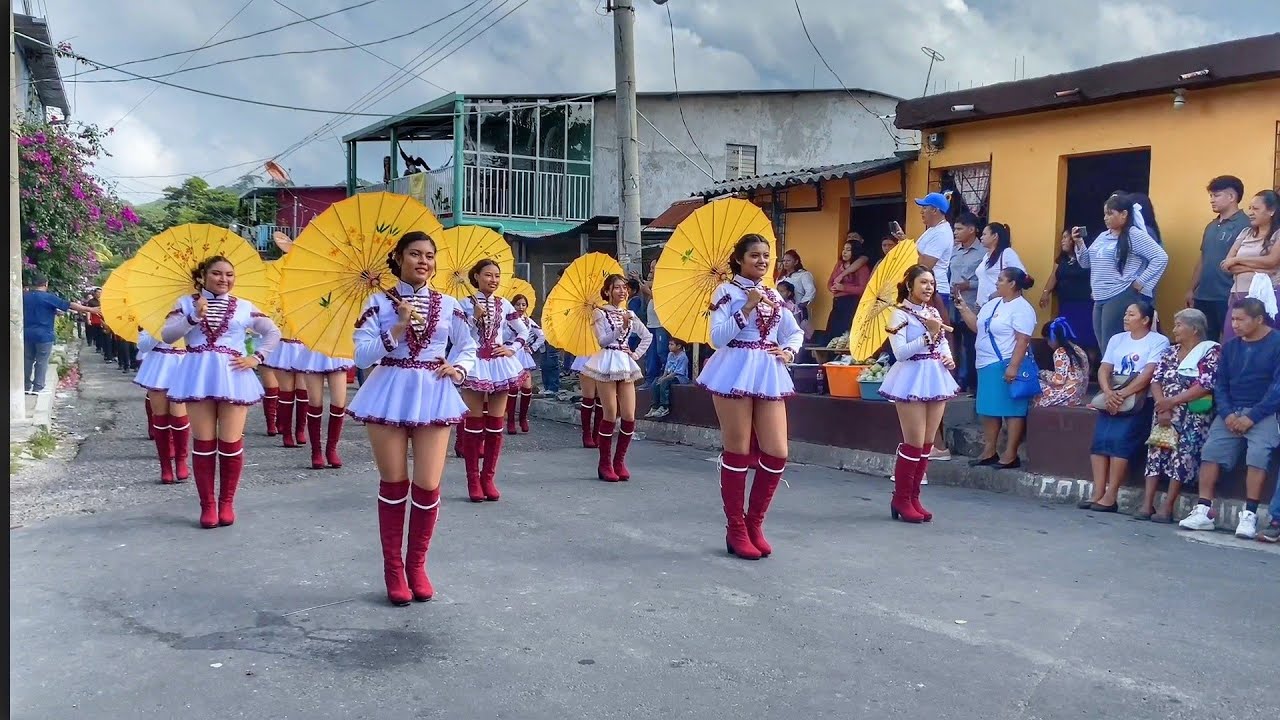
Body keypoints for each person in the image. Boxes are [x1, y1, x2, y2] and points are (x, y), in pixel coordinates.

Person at [346, 231, 477, 606]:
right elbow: (360, 356)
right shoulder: (377, 302)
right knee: (394, 482)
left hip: (434, 390)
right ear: (399, 257)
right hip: (388, 389)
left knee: (428, 484)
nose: (424, 261)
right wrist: (398, 327)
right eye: (415, 254)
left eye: (430, 256)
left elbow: (466, 344)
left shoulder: (450, 304)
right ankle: (393, 569)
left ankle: (416, 566)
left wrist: (460, 369)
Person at [698, 233, 804, 559]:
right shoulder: (726, 292)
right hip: (734, 368)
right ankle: (736, 528)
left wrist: (788, 351)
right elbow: (717, 338)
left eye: (766, 255)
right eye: (755, 255)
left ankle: (754, 522)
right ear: (740, 260)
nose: (762, 261)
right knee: (738, 451)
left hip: (768, 369)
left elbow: (793, 331)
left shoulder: (773, 293)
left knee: (776, 452)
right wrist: (746, 307)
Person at [162, 256, 282, 529]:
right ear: (202, 275)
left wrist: (257, 357)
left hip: (234, 375)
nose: (224, 279)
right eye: (217, 273)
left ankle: (227, 502)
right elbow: (168, 336)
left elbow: (273, 332)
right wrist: (193, 316)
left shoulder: (243, 306)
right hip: (197, 375)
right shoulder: (184, 303)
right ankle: (208, 506)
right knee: (204, 443)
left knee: (230, 443)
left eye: (229, 274)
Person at [1179, 298, 1280, 539]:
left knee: (1258, 455)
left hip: (1264, 412)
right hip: (1231, 411)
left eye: (1240, 320)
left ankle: (1250, 514)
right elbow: (1220, 384)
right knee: (1211, 451)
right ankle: (1204, 510)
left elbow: (1277, 387)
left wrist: (1252, 417)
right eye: (1232, 319)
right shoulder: (1230, 346)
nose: (1234, 324)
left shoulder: (1277, 343)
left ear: (1258, 319)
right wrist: (1227, 413)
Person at [878, 265, 959, 522]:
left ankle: (914, 497)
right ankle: (900, 499)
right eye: (923, 282)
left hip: (935, 376)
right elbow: (900, 352)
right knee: (913, 443)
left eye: (932, 283)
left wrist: (948, 358)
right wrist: (928, 334)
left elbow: (943, 342)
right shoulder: (898, 314)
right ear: (910, 284)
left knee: (927, 444)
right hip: (910, 377)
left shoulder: (932, 311)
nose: (928, 287)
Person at [1078, 301, 1169, 512]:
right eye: (1126, 314)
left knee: (1120, 444)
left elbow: (1149, 373)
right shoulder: (1117, 339)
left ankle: (1111, 495)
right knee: (1100, 442)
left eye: (1131, 315)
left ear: (1145, 320)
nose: (1126, 318)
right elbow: (1104, 369)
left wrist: (1123, 394)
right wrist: (1109, 392)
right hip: (1113, 393)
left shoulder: (1158, 341)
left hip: (1137, 399)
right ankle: (1097, 492)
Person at [1136, 309, 1219, 522]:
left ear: (1194, 329)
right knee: (1155, 452)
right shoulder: (1170, 352)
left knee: (1182, 456)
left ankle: (1167, 506)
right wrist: (1162, 407)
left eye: (1179, 325)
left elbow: (1205, 384)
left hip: (1192, 414)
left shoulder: (1210, 351)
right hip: (1163, 412)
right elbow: (1156, 379)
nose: (1175, 330)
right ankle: (1147, 504)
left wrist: (1172, 402)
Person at [458, 259, 530, 503]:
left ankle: (488, 478)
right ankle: (472, 480)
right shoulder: (463, 304)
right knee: (473, 424)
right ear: (475, 276)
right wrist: (472, 318)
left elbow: (523, 330)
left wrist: (511, 348)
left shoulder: (504, 303)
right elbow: (455, 336)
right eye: (488, 275)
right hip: (474, 362)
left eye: (497, 276)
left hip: (499, 365)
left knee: (496, 424)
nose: (493, 280)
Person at [956, 267, 1036, 469]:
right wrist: (964, 309)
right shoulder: (992, 304)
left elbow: (1022, 339)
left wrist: (1013, 367)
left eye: (1000, 279)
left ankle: (1010, 454)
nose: (996, 283)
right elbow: (977, 327)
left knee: (1012, 410)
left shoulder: (1022, 308)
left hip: (1005, 363)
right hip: (985, 364)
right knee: (988, 410)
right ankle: (989, 450)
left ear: (1013, 284)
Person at [1068, 194, 1169, 347]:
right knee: (1103, 343)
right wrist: (1079, 243)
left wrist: (1141, 281)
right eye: (1104, 214)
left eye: (1110, 213)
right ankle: (1106, 371)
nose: (1105, 218)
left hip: (1120, 293)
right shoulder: (1103, 236)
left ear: (1124, 214)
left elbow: (1160, 257)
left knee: (1112, 342)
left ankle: (1114, 371)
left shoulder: (1134, 235)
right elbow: (1086, 263)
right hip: (1099, 295)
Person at [583, 274, 652, 481]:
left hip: (625, 362)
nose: (622, 291)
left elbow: (647, 335)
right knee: (610, 414)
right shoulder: (599, 313)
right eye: (616, 288)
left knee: (629, 415)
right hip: (606, 362)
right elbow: (602, 341)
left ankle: (619, 461)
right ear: (607, 291)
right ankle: (604, 463)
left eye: (624, 287)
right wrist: (621, 328)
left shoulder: (629, 313)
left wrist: (636, 354)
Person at [1187, 176, 1251, 342]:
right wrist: (1191, 289)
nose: (1212, 200)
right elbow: (1203, 258)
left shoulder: (1246, 225)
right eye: (1211, 196)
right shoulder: (1211, 226)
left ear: (1231, 197)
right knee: (1205, 344)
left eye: (1216, 195)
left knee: (1232, 341)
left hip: (1228, 295)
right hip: (1203, 295)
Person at [22, 273, 98, 394]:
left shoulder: (24, 297)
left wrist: (53, 312)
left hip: (26, 333)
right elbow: (69, 305)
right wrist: (91, 309)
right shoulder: (48, 297)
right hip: (44, 335)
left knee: (27, 360)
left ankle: (25, 386)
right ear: (46, 284)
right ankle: (38, 387)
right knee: (42, 361)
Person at [1219, 189, 1279, 342]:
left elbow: (1272, 261)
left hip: (1266, 296)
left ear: (1271, 211)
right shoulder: (1245, 233)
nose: (1251, 212)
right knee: (1231, 340)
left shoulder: (1277, 234)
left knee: (1264, 342)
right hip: (1238, 295)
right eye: (1250, 208)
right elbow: (1227, 264)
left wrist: (1238, 261)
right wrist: (1257, 268)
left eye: (1256, 209)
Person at [133, 327, 190, 484]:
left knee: (179, 417)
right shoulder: (153, 317)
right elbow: (143, 345)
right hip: (158, 366)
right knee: (160, 418)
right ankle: (165, 467)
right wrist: (159, 331)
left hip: (182, 363)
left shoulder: (188, 313)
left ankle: (181, 461)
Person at [294, 346, 355, 470]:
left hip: (337, 352)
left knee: (339, 404)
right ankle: (316, 452)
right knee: (315, 403)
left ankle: (331, 450)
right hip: (314, 351)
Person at [1039, 233, 1097, 352]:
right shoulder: (1061, 260)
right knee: (1067, 335)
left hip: (1084, 303)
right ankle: (1070, 366)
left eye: (1065, 237)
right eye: (1062, 238)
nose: (1062, 241)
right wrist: (1046, 292)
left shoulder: (1087, 258)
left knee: (1087, 337)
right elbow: (1053, 276)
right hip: (1066, 304)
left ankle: (1088, 368)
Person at [948, 213, 984, 393]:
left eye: (959, 229)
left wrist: (968, 284)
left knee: (971, 345)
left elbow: (988, 280)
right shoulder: (955, 250)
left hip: (972, 305)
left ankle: (973, 382)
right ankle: (959, 380)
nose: (955, 232)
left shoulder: (984, 252)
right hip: (953, 303)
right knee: (954, 342)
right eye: (955, 229)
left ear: (972, 230)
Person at [506, 294, 543, 434]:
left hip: (523, 355)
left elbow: (541, 335)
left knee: (527, 388)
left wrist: (532, 348)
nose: (521, 307)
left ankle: (522, 418)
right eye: (517, 304)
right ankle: (510, 421)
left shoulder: (528, 321)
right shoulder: (507, 320)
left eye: (523, 305)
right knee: (513, 389)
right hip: (510, 354)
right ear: (512, 306)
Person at [1034, 318, 1090, 408]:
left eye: (1048, 340)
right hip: (1078, 396)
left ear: (1053, 338)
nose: (1048, 343)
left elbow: (1059, 380)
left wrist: (1042, 373)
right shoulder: (1079, 350)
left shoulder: (1060, 352)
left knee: (1035, 383)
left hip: (1066, 396)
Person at [826, 234, 870, 343]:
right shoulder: (839, 264)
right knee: (832, 333)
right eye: (844, 249)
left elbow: (863, 289)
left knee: (846, 334)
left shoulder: (862, 268)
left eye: (848, 250)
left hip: (851, 303)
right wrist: (832, 288)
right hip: (837, 302)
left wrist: (843, 287)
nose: (844, 252)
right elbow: (830, 281)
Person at [974, 223, 1025, 308]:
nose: (981, 237)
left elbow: (1021, 275)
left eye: (984, 234)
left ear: (995, 236)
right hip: (983, 305)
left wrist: (997, 294)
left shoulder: (1007, 253)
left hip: (999, 304)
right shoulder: (986, 256)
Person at [646, 337, 691, 419]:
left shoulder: (683, 357)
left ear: (679, 346)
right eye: (669, 344)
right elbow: (667, 368)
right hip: (669, 376)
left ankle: (664, 407)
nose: (669, 346)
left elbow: (677, 372)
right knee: (656, 381)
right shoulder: (670, 354)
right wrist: (663, 376)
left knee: (664, 382)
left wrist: (665, 379)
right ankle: (655, 406)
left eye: (671, 344)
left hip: (680, 378)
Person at [777, 250, 816, 341]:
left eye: (788, 260)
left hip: (798, 310)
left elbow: (811, 291)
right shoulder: (781, 277)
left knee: (797, 334)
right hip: (782, 309)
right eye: (784, 261)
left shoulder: (803, 275)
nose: (785, 263)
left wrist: (801, 305)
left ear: (796, 261)